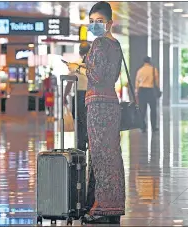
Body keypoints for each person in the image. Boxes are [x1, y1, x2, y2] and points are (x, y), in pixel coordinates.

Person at [67, 1, 125, 224]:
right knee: (110, 154)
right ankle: (108, 205)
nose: (94, 25)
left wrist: (77, 68)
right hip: (111, 102)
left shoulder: (100, 43)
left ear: (110, 23)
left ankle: (101, 208)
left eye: (99, 21)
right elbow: (112, 76)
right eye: (91, 22)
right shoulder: (116, 44)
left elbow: (97, 76)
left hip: (98, 105)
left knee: (100, 156)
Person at [63, 42, 90, 152]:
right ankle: (91, 143)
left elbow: (69, 83)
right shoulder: (94, 65)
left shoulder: (76, 65)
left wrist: (64, 95)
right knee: (90, 121)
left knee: (79, 123)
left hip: (79, 96)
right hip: (92, 96)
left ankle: (81, 146)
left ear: (80, 52)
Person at [135, 56, 159, 133]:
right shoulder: (153, 69)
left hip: (142, 91)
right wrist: (157, 88)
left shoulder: (140, 70)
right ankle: (153, 127)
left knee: (142, 110)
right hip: (150, 91)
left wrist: (137, 92)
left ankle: (143, 127)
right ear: (150, 61)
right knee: (153, 109)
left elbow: (137, 82)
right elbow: (157, 81)